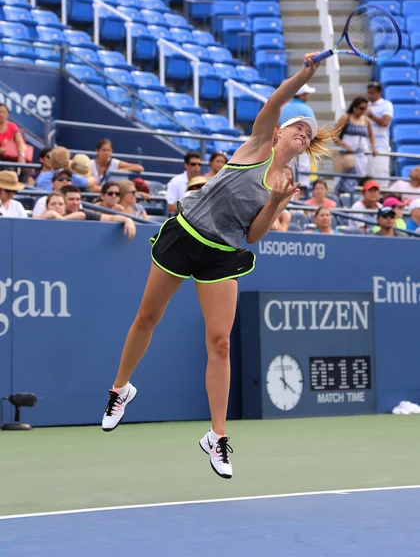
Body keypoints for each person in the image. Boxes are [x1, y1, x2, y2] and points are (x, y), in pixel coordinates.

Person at [100, 52, 333, 480]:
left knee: (220, 342)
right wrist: (305, 74)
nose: (302, 136)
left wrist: (280, 202)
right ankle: (120, 389)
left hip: (222, 253)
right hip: (185, 232)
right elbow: (275, 102)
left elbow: (254, 235)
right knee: (147, 316)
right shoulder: (260, 142)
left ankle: (218, 437)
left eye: (307, 136)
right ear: (282, 130)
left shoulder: (283, 181)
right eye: (298, 128)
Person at [333, 96, 377, 194]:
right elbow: (333, 135)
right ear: (355, 107)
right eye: (361, 108)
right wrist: (345, 145)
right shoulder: (346, 117)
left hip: (361, 154)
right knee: (347, 177)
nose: (363, 111)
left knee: (361, 178)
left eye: (365, 109)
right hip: (347, 154)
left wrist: (373, 147)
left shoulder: (366, 120)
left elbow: (371, 135)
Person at [61, 185, 136, 239]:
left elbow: (111, 218)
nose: (75, 203)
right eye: (71, 199)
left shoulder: (86, 213)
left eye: (78, 199)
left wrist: (127, 220)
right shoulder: (53, 213)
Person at [280, 83, 316, 189]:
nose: (308, 95)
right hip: (300, 148)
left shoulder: (284, 107)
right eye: (306, 93)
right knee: (302, 175)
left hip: (284, 146)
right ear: (302, 95)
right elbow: (314, 129)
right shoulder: (306, 108)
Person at [366, 81, 394, 181]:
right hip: (365, 149)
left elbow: (385, 122)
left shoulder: (386, 104)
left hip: (381, 149)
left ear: (379, 93)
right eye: (368, 93)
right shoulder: (365, 106)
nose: (369, 95)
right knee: (366, 181)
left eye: (372, 93)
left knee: (381, 179)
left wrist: (371, 116)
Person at [270, 164, 293, 232]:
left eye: (288, 174)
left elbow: (281, 231)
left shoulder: (285, 215)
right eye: (284, 174)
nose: (285, 177)